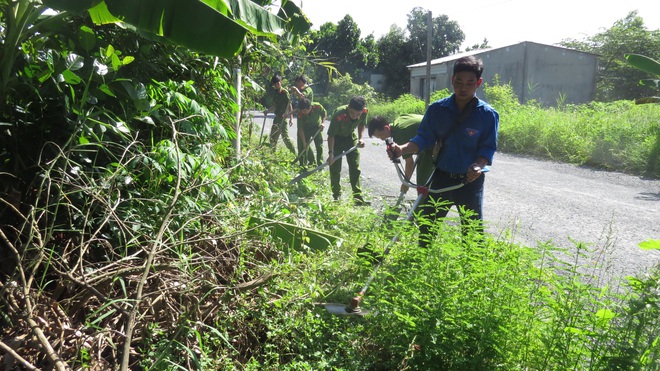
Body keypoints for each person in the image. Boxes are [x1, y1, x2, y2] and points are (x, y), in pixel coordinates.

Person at [387, 56, 499, 247]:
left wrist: (478, 166)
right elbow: (423, 138)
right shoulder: (437, 109)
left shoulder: (487, 115)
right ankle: (418, 264)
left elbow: (487, 148)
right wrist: (402, 149)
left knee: (473, 234)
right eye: (459, 82)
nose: (463, 87)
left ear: (478, 83)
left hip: (470, 182)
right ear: (452, 79)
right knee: (427, 228)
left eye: (470, 83)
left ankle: (472, 273)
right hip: (441, 178)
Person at [368, 114, 434, 194]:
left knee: (422, 183)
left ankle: (423, 205)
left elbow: (410, 163)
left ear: (386, 128)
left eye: (380, 135)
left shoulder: (399, 134)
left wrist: (405, 183)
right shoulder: (398, 120)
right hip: (433, 134)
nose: (381, 139)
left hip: (435, 143)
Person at [327, 96, 369, 206]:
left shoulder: (363, 112)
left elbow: (361, 124)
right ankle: (336, 195)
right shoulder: (338, 115)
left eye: (358, 114)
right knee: (335, 168)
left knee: (355, 167)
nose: (355, 117)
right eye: (352, 113)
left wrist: (360, 138)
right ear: (348, 108)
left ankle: (357, 197)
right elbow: (331, 136)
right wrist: (331, 154)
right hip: (336, 140)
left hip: (350, 138)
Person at [264, 74, 296, 155]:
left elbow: (290, 105)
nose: (277, 85)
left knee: (285, 138)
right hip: (277, 118)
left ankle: (294, 154)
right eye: (275, 84)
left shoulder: (285, 92)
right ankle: (272, 153)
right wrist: (267, 111)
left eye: (278, 83)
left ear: (281, 82)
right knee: (272, 137)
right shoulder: (276, 93)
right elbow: (275, 105)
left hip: (283, 118)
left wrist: (291, 118)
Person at [295, 98, 326, 167]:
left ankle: (320, 166)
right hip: (306, 129)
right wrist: (304, 142)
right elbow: (300, 129)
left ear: (310, 107)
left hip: (317, 128)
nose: (303, 112)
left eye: (305, 111)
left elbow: (324, 113)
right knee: (303, 147)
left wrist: (323, 123)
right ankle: (303, 165)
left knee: (319, 146)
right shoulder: (300, 113)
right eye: (302, 111)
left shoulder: (317, 106)